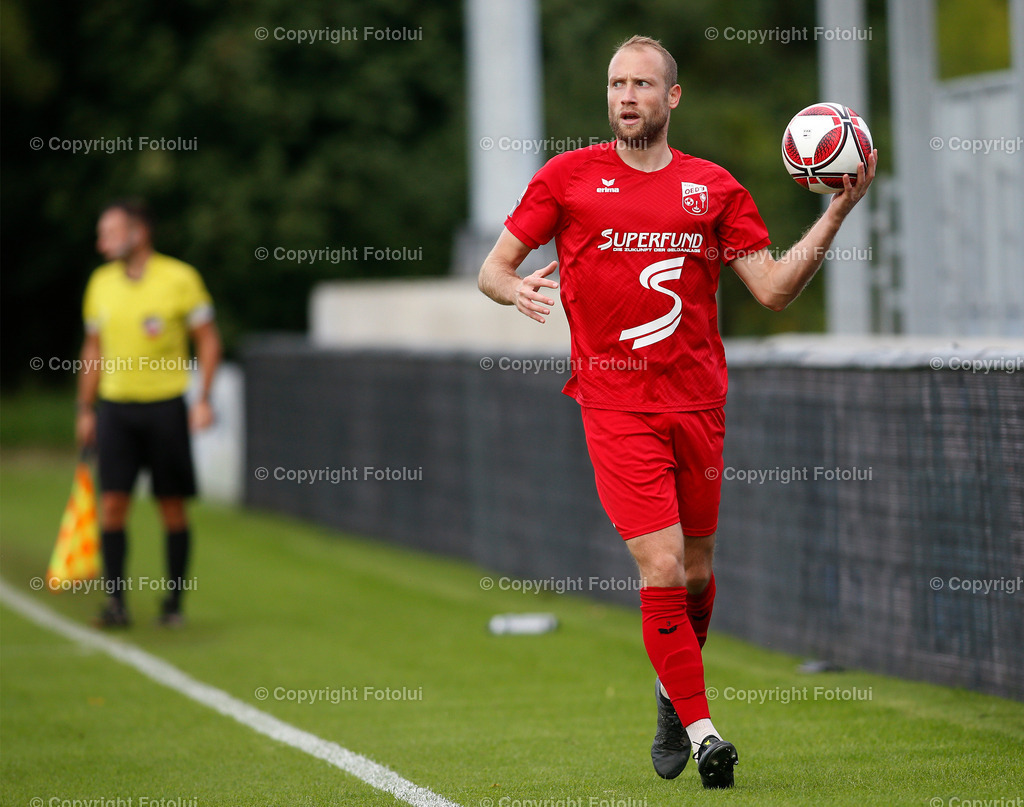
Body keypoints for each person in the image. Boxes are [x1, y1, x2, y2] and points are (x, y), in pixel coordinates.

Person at [478, 35, 876, 789]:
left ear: (672, 98)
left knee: (695, 574)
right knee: (659, 563)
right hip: (614, 403)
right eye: (615, 83)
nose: (625, 96)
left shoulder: (715, 189)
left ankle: (671, 692)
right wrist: (516, 289)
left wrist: (835, 215)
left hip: (698, 403)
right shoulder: (566, 179)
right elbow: (492, 268)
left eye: (641, 84)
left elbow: (773, 290)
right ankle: (704, 731)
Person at [75, 198, 221, 628]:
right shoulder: (100, 283)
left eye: (111, 233)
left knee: (171, 506)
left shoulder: (180, 278)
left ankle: (173, 602)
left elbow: (208, 341)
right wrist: (86, 407)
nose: (102, 243)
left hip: (165, 407)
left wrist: (204, 398)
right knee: (112, 504)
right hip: (116, 408)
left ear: (138, 234)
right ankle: (116, 603)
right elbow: (93, 348)